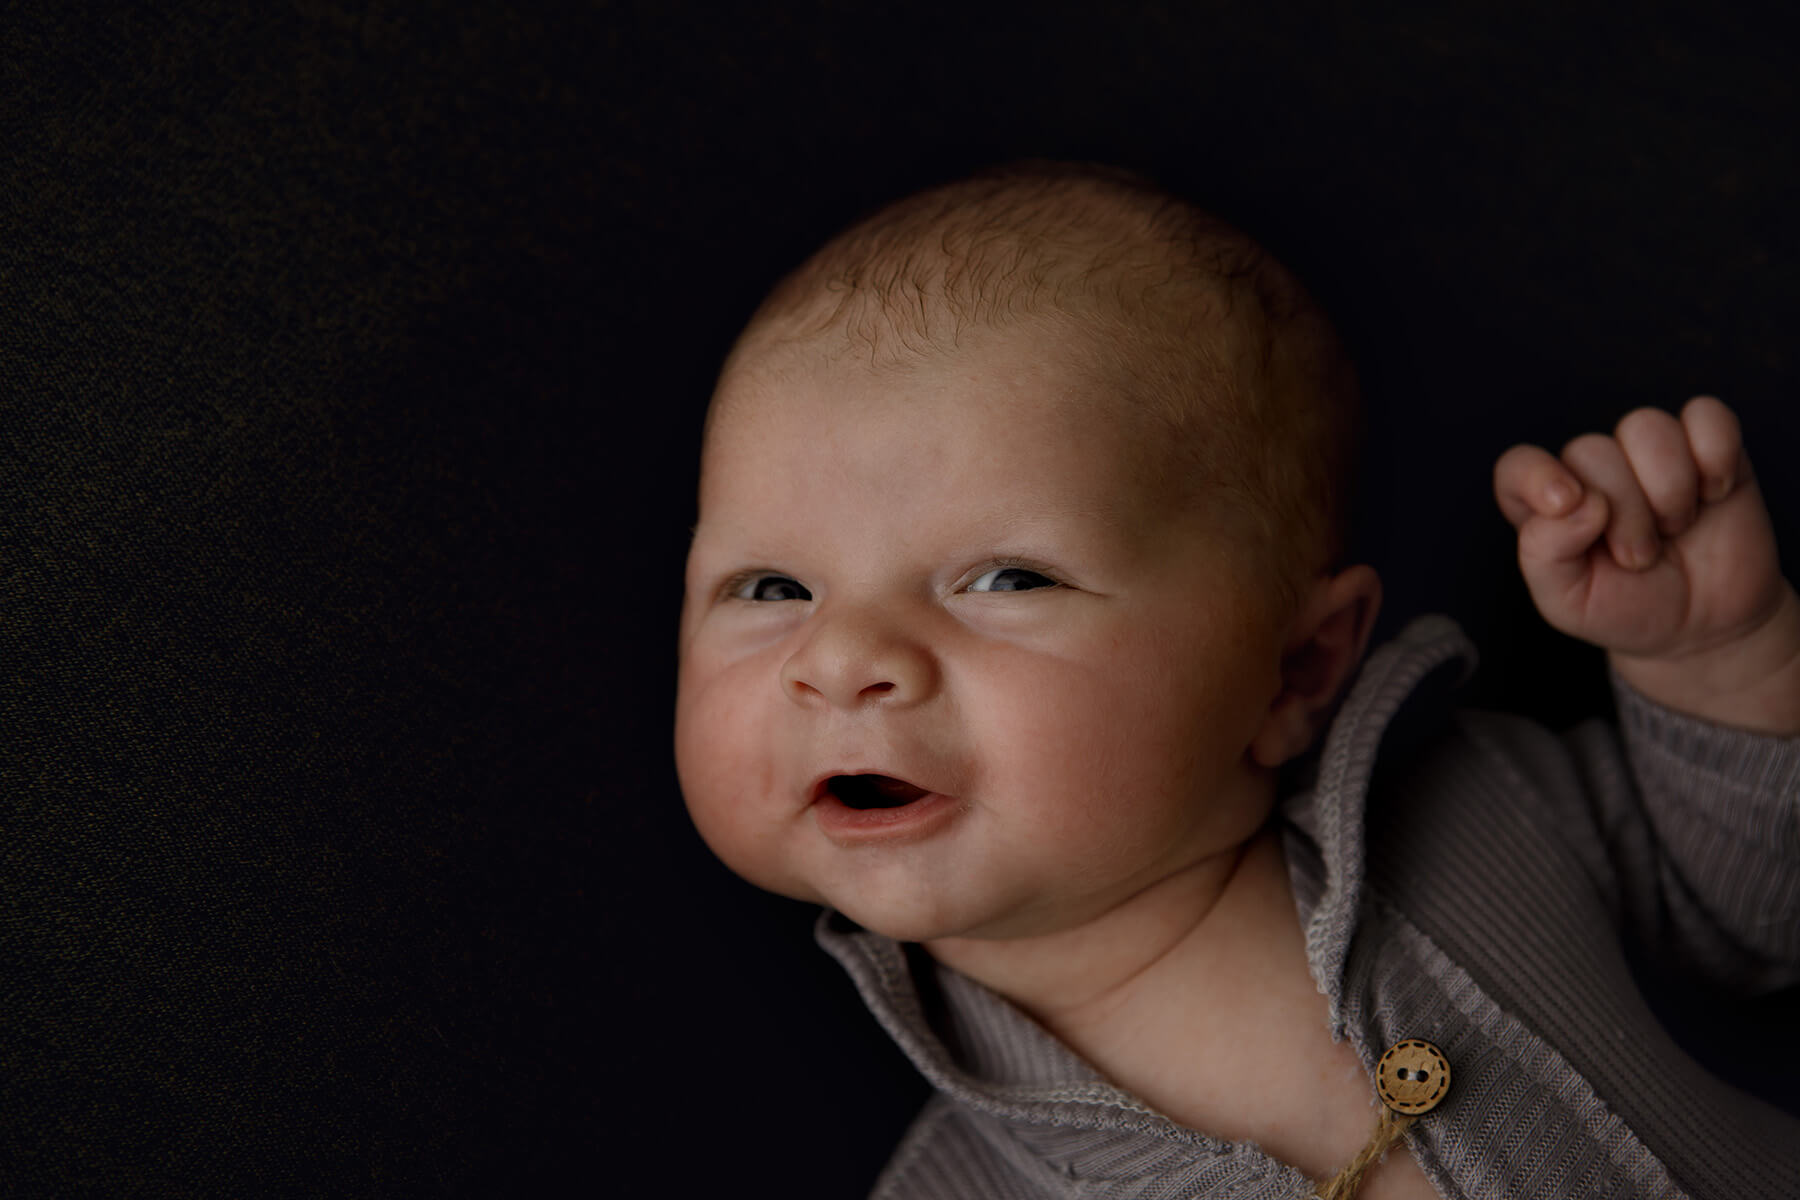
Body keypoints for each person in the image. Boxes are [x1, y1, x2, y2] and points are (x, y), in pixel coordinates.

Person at [672, 161, 1800, 1199]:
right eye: (771, 588)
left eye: (1007, 578)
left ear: (1295, 667)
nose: (842, 659)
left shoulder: (1483, 814)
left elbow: (1761, 917)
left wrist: (1715, 655)